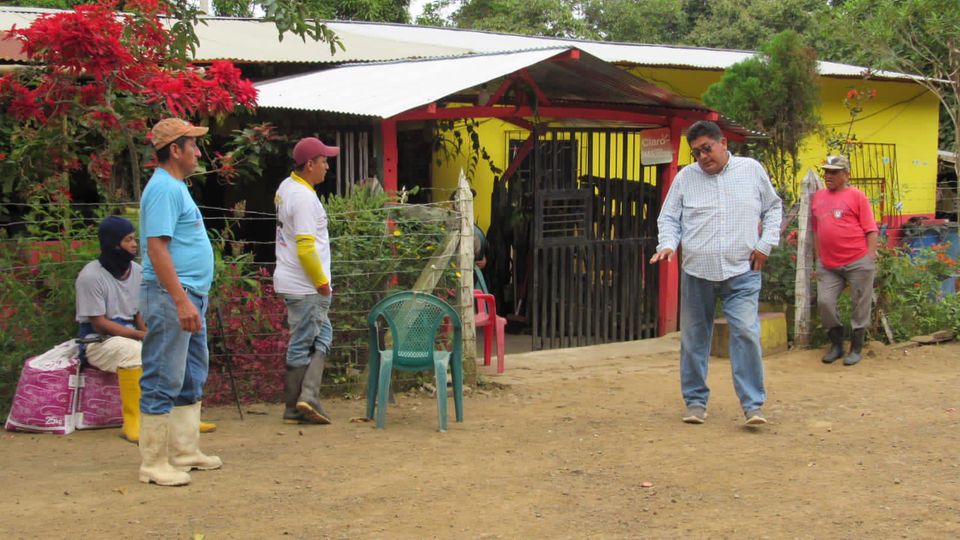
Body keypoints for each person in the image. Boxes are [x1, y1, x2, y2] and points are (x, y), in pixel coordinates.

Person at [650, 120, 782, 426]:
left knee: (746, 333)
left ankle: (753, 405)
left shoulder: (751, 170)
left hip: (742, 271)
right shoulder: (686, 178)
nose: (703, 157)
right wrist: (668, 244)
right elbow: (668, 218)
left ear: (723, 143)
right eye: (696, 153)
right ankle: (695, 402)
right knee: (694, 339)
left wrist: (765, 245)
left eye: (707, 149)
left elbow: (773, 208)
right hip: (697, 273)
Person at [75, 216, 218, 445]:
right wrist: (140, 336)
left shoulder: (137, 271)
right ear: (113, 244)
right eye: (127, 240)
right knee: (133, 352)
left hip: (133, 335)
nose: (134, 245)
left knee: (173, 348)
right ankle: (133, 422)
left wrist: (152, 335)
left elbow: (139, 313)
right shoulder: (91, 276)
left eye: (134, 239)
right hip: (99, 341)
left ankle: (182, 419)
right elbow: (99, 323)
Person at [137, 118, 221, 486]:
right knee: (163, 374)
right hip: (174, 296)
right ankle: (153, 462)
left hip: (187, 295)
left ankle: (184, 451)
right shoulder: (164, 189)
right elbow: (157, 249)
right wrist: (180, 300)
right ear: (175, 150)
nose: (198, 153)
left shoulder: (174, 187)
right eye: (193, 145)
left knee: (190, 373)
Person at [274, 136, 340, 425]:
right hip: (306, 285)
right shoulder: (304, 198)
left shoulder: (286, 187)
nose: (327, 166)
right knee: (302, 341)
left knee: (323, 335)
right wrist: (321, 282)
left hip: (294, 280)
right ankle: (296, 404)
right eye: (324, 161)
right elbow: (305, 247)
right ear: (310, 164)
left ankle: (307, 396)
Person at [812, 155, 878, 366]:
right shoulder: (818, 197)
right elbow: (816, 230)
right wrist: (818, 257)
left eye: (834, 172)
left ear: (846, 175)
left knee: (860, 304)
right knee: (825, 302)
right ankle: (836, 345)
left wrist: (869, 257)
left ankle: (856, 348)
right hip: (828, 264)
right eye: (826, 171)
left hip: (857, 260)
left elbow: (871, 229)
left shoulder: (857, 196)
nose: (828, 176)